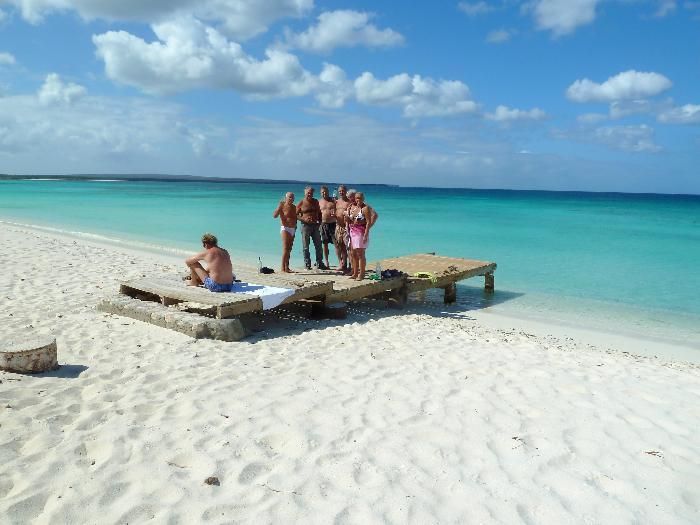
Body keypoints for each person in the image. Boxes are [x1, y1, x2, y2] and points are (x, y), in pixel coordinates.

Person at [346, 192, 378, 281]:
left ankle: (362, 274)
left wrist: (366, 233)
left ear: (363, 199)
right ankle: (355, 273)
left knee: (360, 254)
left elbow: (368, 222)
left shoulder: (365, 208)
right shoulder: (353, 207)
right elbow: (350, 219)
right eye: (356, 198)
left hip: (360, 233)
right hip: (352, 232)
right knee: (353, 253)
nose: (358, 200)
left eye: (359, 198)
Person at [296, 186, 327, 270]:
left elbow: (319, 212)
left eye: (311, 193)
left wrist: (320, 222)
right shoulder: (301, 202)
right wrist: (304, 219)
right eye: (308, 193)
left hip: (315, 226)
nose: (310, 194)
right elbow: (295, 215)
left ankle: (319, 263)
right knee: (306, 246)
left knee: (318, 245)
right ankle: (307, 264)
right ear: (305, 193)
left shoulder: (315, 201)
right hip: (305, 226)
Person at [273, 192, 297, 273]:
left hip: (293, 229)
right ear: (286, 198)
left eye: (292, 197)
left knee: (289, 249)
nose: (291, 199)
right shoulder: (282, 205)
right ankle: (282, 268)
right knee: (285, 248)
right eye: (290, 197)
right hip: (285, 228)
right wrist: (278, 208)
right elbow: (274, 216)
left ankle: (287, 267)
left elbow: (297, 217)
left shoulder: (294, 207)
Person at [334, 185, 351, 273]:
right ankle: (343, 265)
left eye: (343, 191)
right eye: (340, 191)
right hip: (338, 226)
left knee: (348, 247)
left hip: (346, 227)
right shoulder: (336, 202)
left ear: (346, 191)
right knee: (340, 246)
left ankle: (351, 266)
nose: (341, 192)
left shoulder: (349, 202)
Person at [319, 186, 337, 269]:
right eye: (322, 192)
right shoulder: (319, 202)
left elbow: (340, 209)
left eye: (325, 192)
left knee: (337, 244)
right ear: (320, 193)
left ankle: (341, 262)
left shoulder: (333, 200)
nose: (324, 193)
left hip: (333, 224)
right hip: (323, 224)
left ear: (328, 192)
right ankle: (326, 262)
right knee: (325, 244)